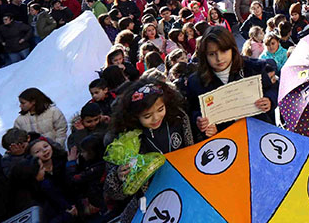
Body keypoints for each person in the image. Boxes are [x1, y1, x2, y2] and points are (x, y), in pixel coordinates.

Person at [105, 80, 193, 222]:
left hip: (186, 186)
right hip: (152, 201)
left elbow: (192, 149)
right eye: (147, 116)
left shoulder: (178, 118)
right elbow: (113, 192)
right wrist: (119, 176)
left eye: (160, 109)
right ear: (134, 116)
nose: (156, 118)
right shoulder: (125, 140)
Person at [185, 26, 277, 140]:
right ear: (205, 55)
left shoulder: (253, 68)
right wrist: (199, 121)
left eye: (223, 51)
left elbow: (273, 89)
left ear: (232, 49)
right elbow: (192, 109)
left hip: (259, 133)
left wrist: (269, 100)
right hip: (224, 140)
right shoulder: (196, 82)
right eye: (212, 54)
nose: (219, 58)